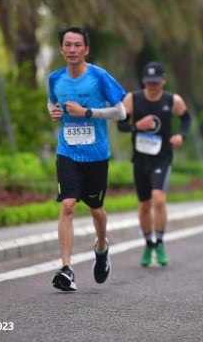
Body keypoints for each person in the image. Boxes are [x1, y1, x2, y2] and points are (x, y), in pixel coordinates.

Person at [46, 26, 127, 291]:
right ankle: (66, 269)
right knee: (68, 204)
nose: (72, 50)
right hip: (67, 152)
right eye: (67, 45)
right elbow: (51, 103)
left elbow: (121, 113)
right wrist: (54, 112)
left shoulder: (99, 76)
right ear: (61, 49)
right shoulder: (55, 79)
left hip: (96, 155)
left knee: (95, 209)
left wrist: (88, 113)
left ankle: (102, 247)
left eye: (77, 45)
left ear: (86, 49)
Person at [117, 62, 191, 267]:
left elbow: (186, 118)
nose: (153, 87)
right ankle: (148, 243)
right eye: (149, 83)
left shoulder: (172, 100)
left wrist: (181, 136)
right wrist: (136, 126)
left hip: (162, 157)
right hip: (140, 159)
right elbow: (120, 124)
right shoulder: (133, 99)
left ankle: (159, 242)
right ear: (144, 82)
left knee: (158, 199)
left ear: (163, 81)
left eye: (156, 83)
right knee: (143, 205)